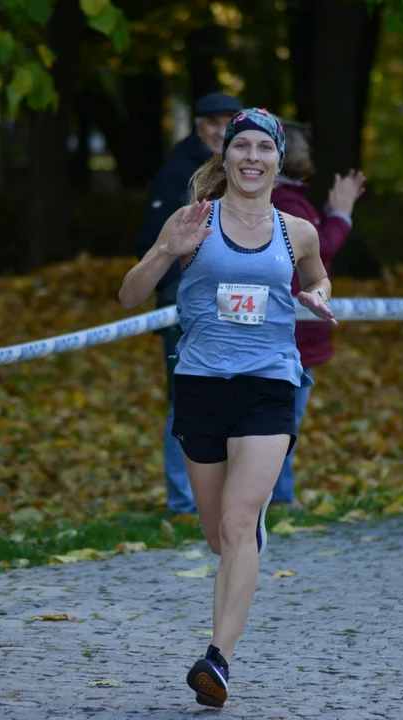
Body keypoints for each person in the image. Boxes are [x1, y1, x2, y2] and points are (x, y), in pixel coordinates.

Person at [118, 109, 336, 707]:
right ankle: (247, 532)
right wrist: (166, 250)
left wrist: (316, 298)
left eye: (263, 148)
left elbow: (318, 277)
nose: (251, 157)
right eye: (240, 145)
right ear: (226, 157)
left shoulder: (298, 232)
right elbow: (129, 295)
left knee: (240, 525)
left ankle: (218, 661)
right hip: (200, 387)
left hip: (269, 385)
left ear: (277, 161)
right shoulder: (192, 221)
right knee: (220, 536)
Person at [136, 91, 242, 516]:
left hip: (234, 302)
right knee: (187, 399)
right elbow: (151, 245)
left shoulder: (243, 170)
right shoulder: (175, 173)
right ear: (198, 125)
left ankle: (229, 495)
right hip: (183, 306)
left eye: (228, 122)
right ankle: (183, 502)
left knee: (235, 395)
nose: (220, 131)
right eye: (213, 122)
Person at [269, 122, 365, 506]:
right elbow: (318, 247)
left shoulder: (291, 199)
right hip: (292, 334)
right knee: (283, 420)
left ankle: (278, 494)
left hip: (299, 331)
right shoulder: (287, 201)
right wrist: (341, 215)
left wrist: (329, 212)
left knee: (284, 418)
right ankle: (279, 496)